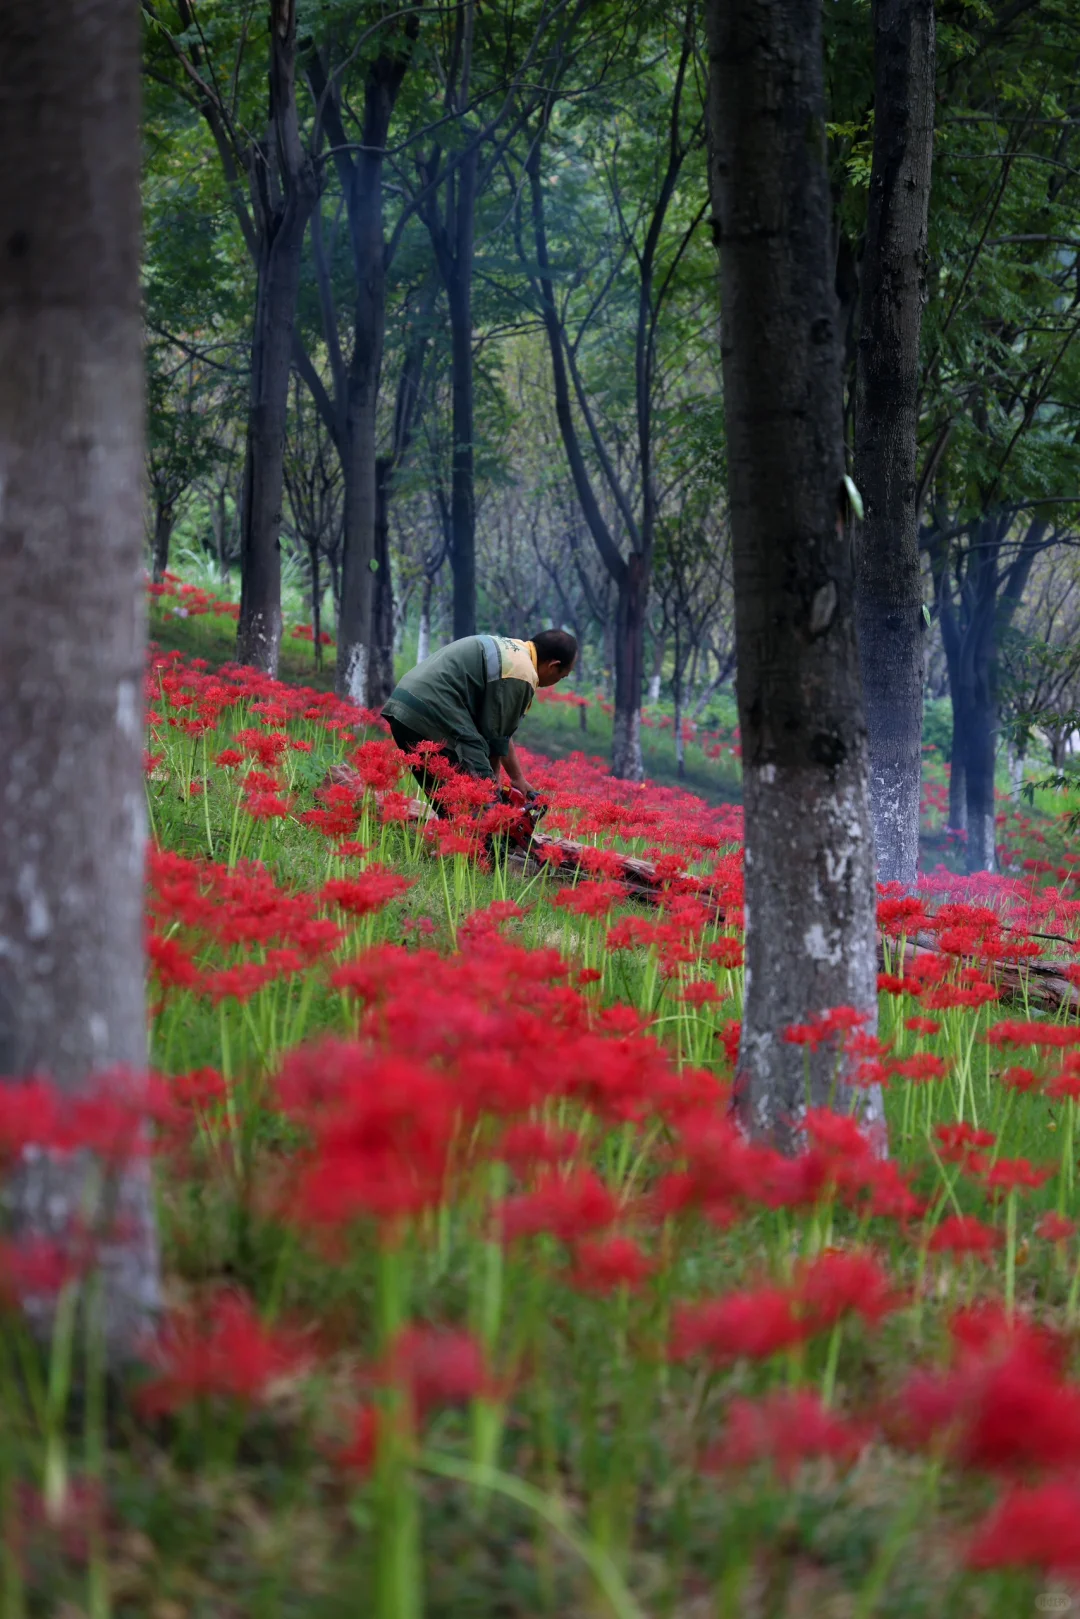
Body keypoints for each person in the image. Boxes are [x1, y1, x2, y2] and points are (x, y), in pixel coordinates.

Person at [382, 628, 577, 813]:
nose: (556, 682)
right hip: (433, 710)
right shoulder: (522, 673)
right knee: (483, 807)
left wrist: (517, 778)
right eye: (562, 676)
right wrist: (494, 790)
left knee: (453, 806)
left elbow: (501, 731)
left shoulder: (512, 650)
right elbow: (494, 741)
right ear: (553, 666)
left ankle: (452, 846)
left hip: (403, 707)